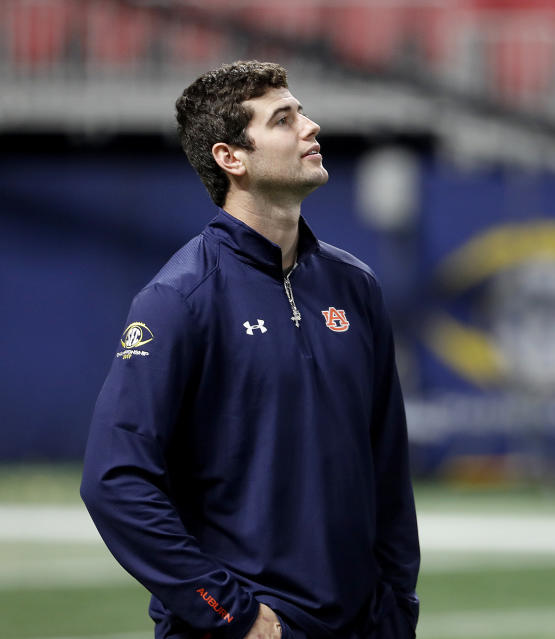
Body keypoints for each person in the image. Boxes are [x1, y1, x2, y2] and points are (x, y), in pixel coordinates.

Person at [80, 60, 420, 639]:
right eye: (284, 119)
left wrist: (396, 608)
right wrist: (228, 612)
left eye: (301, 111)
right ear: (230, 158)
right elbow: (114, 481)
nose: (311, 126)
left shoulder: (354, 286)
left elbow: (386, 466)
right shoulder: (179, 298)